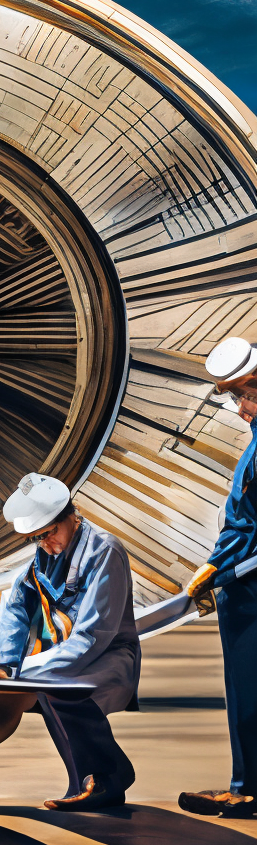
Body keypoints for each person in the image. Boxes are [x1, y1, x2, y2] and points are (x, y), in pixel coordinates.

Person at [0, 473, 140, 811]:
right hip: (70, 659)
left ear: (70, 516)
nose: (47, 545)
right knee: (49, 688)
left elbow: (93, 636)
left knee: (59, 689)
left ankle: (103, 778)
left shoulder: (105, 551)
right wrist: (3, 665)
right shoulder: (44, 558)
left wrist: (22, 673)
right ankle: (100, 776)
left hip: (108, 656)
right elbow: (16, 603)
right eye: (37, 539)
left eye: (49, 534)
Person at [179, 337, 257, 818]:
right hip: (241, 579)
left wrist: (223, 570)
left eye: (243, 395)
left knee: (248, 689)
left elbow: (247, 523)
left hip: (248, 584)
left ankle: (247, 788)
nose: (240, 408)